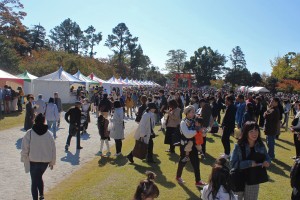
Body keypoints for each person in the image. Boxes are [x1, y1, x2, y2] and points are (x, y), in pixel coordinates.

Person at [230, 121, 271, 200]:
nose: (254, 133)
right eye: (251, 131)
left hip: (253, 179)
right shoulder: (238, 146)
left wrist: (267, 162)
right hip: (238, 179)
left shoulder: (261, 145)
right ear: (245, 133)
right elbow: (232, 164)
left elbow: (268, 158)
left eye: (256, 130)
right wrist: (249, 163)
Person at [21, 113, 56, 200]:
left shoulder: (29, 133)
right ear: (44, 121)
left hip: (33, 161)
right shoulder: (49, 134)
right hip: (45, 162)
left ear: (35, 120)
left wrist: (24, 158)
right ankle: (41, 195)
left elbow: (25, 148)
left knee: (34, 181)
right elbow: (53, 149)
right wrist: (52, 162)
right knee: (39, 177)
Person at [176, 105, 206, 187]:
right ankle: (178, 176)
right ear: (187, 113)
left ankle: (198, 180)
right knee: (183, 161)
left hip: (194, 144)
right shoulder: (183, 122)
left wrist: (203, 131)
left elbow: (201, 129)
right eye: (192, 112)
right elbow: (187, 134)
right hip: (185, 145)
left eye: (194, 111)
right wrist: (197, 131)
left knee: (196, 162)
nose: (194, 113)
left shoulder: (195, 120)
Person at [221, 95, 236, 159]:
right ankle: (226, 153)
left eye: (226, 100)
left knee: (224, 139)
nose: (225, 101)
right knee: (225, 139)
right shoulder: (230, 106)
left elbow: (230, 118)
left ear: (229, 100)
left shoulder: (232, 107)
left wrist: (224, 125)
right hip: (227, 125)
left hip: (228, 126)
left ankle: (227, 153)